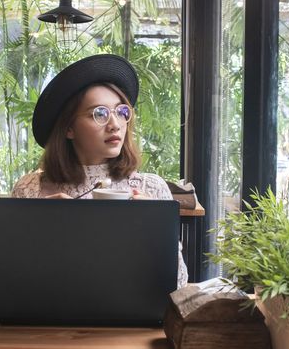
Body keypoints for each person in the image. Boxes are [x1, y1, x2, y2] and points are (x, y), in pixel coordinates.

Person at [12, 54, 188, 288]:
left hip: (133, 317)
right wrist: (40, 227)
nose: (115, 124)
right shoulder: (31, 189)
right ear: (69, 129)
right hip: (50, 316)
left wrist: (156, 228)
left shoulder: (150, 188)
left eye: (121, 111)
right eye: (100, 114)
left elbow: (179, 284)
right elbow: (13, 278)